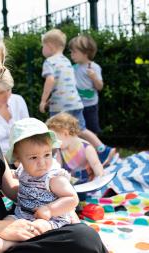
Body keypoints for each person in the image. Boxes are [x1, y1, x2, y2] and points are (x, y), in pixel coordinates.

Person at [0, 28, 108, 253]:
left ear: (1, 72)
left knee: (84, 236)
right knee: (82, 242)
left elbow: (11, 186)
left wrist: (55, 197)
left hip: (11, 224)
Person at [0, 117, 79, 253]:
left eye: (47, 155)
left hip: (51, 218)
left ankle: (7, 245)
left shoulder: (53, 177)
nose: (42, 162)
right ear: (18, 159)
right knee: (6, 221)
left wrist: (50, 209)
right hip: (22, 213)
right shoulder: (23, 170)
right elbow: (13, 175)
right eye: (33, 157)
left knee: (37, 228)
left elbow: (72, 198)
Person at [39, 28, 116, 166]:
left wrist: (44, 100)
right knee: (81, 129)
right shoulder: (67, 62)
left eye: (43, 46)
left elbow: (50, 80)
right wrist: (53, 98)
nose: (42, 49)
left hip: (60, 107)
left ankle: (54, 164)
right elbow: (67, 85)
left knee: (54, 133)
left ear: (49, 45)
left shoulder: (49, 62)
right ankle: (103, 149)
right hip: (75, 103)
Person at [46, 112, 104, 184]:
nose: (54, 143)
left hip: (89, 184)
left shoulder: (86, 148)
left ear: (65, 133)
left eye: (55, 139)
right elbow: (57, 167)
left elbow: (96, 164)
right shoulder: (60, 150)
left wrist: (100, 179)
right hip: (72, 186)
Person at [0, 68, 29, 155]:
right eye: (1, 92)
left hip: (24, 156)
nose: (7, 96)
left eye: (9, 90)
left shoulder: (18, 100)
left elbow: (28, 131)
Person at [69, 34, 103, 134]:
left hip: (90, 105)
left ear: (86, 52)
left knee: (92, 129)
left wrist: (94, 77)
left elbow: (99, 87)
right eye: (71, 52)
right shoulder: (73, 68)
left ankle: (94, 148)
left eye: (74, 52)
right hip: (76, 105)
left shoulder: (94, 67)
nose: (71, 55)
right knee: (77, 130)